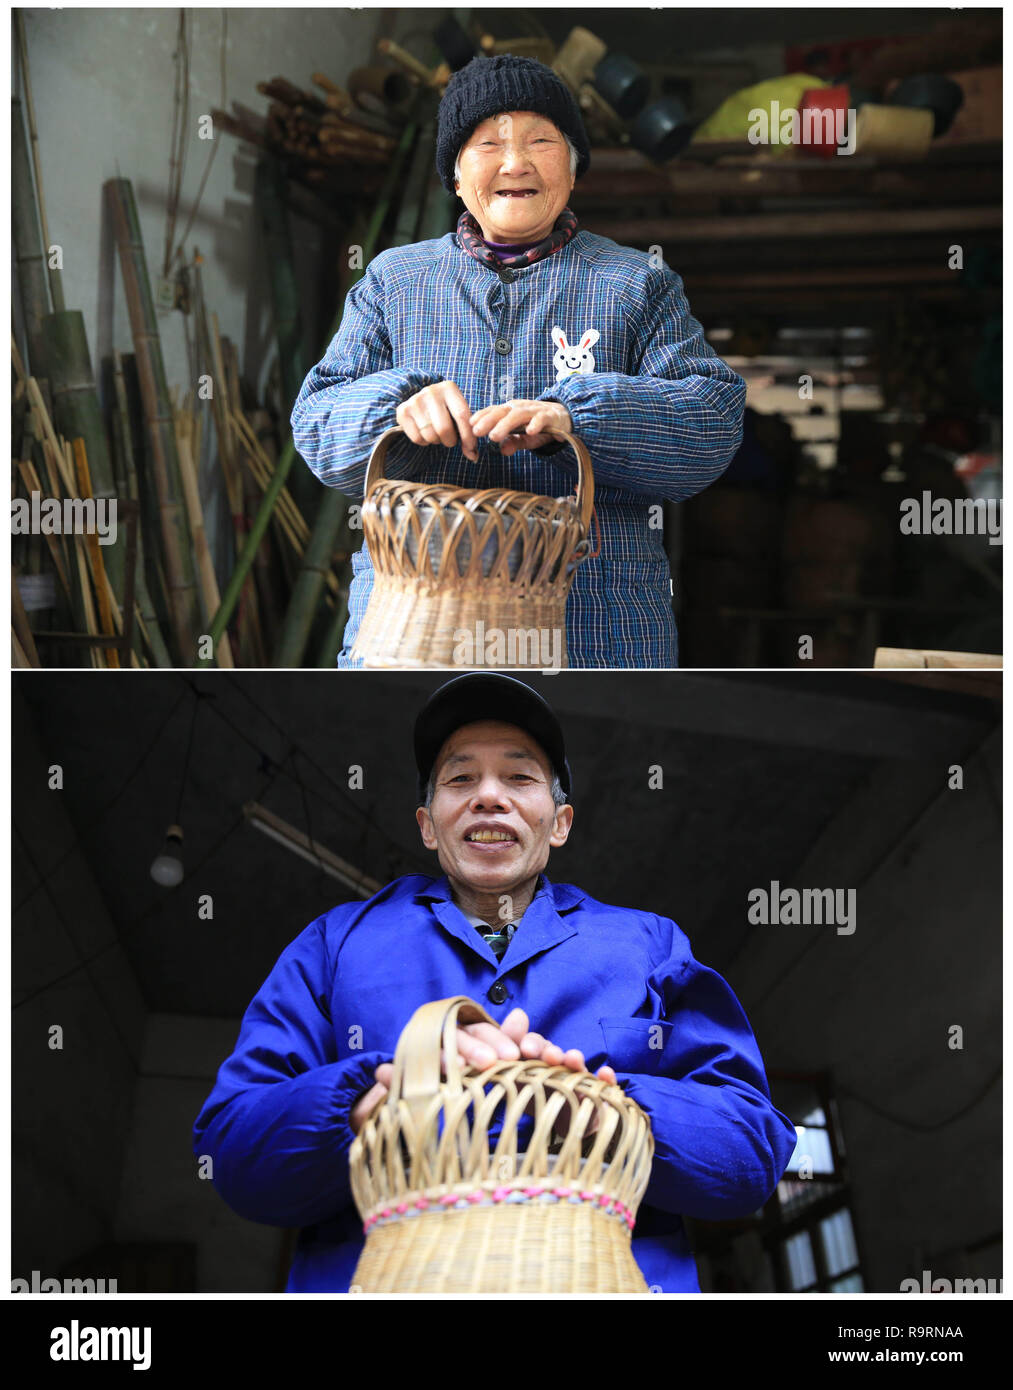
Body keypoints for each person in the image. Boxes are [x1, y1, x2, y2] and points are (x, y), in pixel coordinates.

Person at [193, 673, 798, 1292]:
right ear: (429, 826)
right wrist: (365, 1102)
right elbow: (234, 1152)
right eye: (460, 778)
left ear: (558, 822)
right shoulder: (336, 943)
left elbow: (748, 1153)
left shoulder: (648, 944)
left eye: (519, 777)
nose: (489, 796)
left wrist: (606, 1111)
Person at [290, 55, 746, 668]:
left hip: (594, 639)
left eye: (541, 141)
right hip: (415, 635)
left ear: (574, 168)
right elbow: (316, 423)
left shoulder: (635, 283)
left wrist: (576, 416)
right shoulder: (394, 282)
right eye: (487, 144)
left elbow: (711, 426)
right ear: (455, 176)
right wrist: (397, 407)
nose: (515, 163)